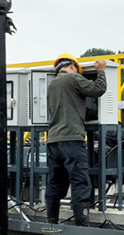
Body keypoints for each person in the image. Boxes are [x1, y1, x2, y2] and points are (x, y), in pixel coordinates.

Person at [45, 53, 107, 226]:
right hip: (71, 138)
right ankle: (82, 225)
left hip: (53, 140)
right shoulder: (72, 79)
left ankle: (51, 223)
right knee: (80, 180)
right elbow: (97, 90)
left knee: (55, 182)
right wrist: (101, 71)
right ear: (72, 67)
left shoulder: (51, 84)